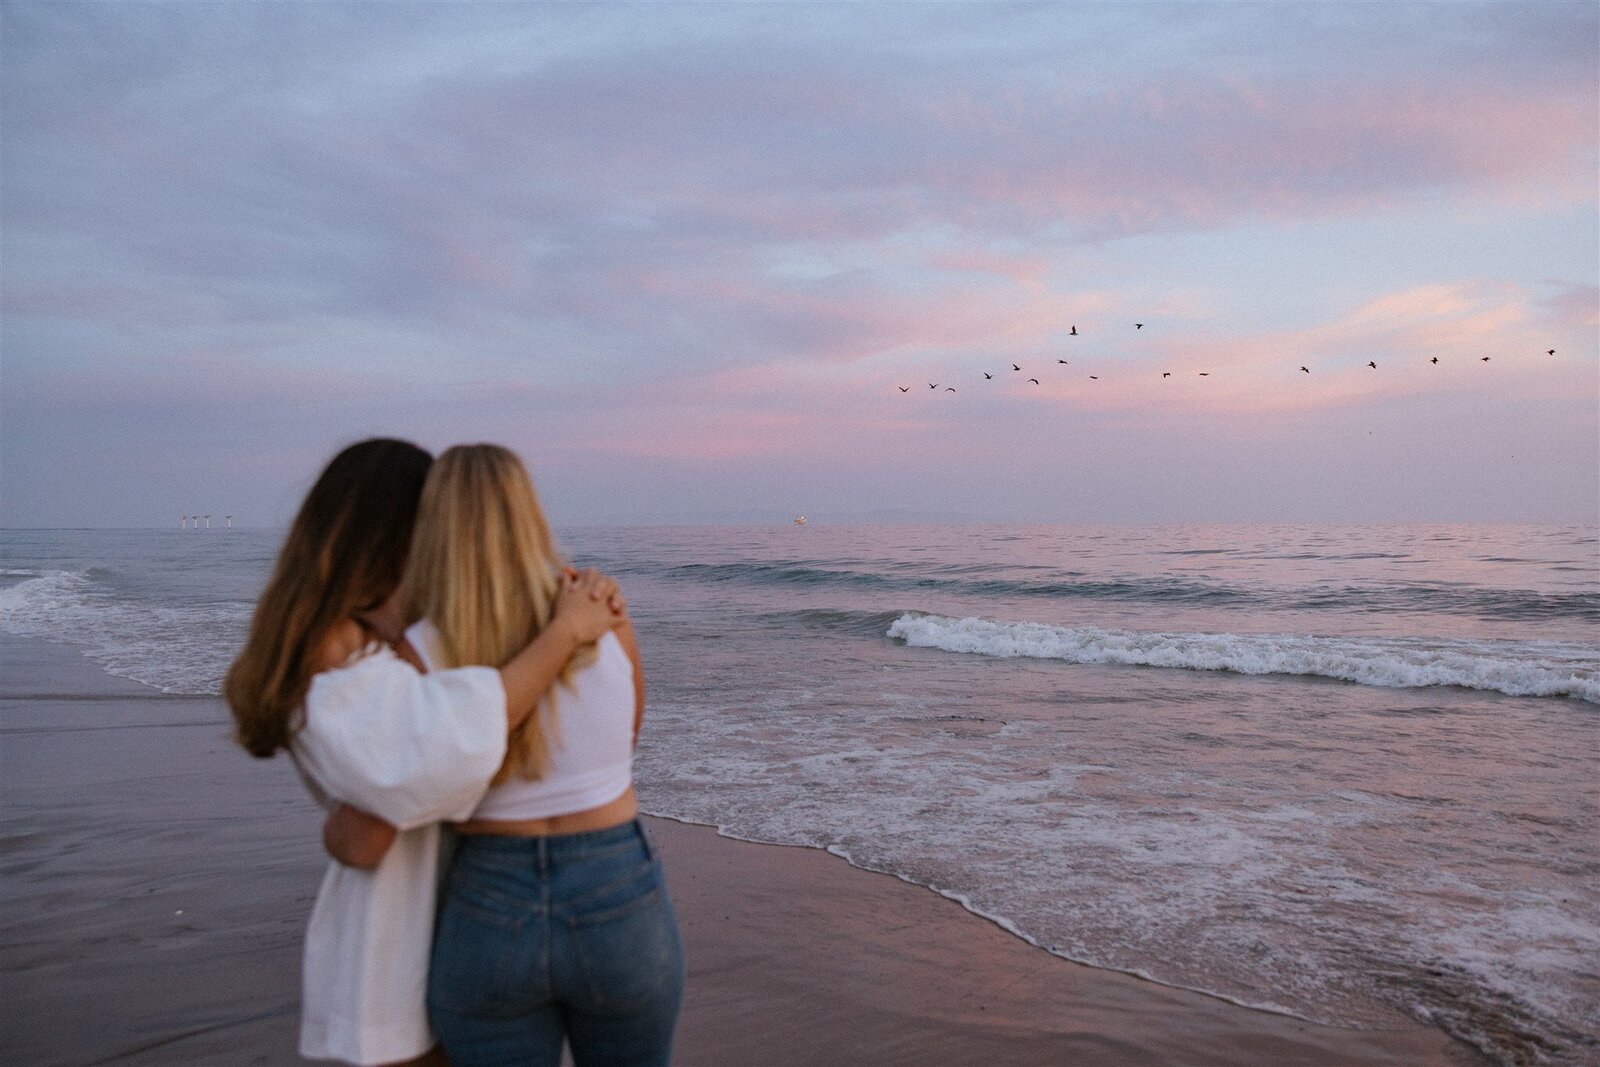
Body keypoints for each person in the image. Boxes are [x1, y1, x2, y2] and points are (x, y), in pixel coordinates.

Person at [224, 438, 625, 1067]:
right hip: (398, 935)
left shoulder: (360, 643)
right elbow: (435, 755)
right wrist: (564, 633)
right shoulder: (339, 652)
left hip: (427, 916)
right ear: (396, 538)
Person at [399, 444, 684, 1067]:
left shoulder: (418, 644)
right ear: (530, 510)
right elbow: (624, 743)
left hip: (488, 897)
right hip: (616, 886)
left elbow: (428, 777)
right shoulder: (602, 610)